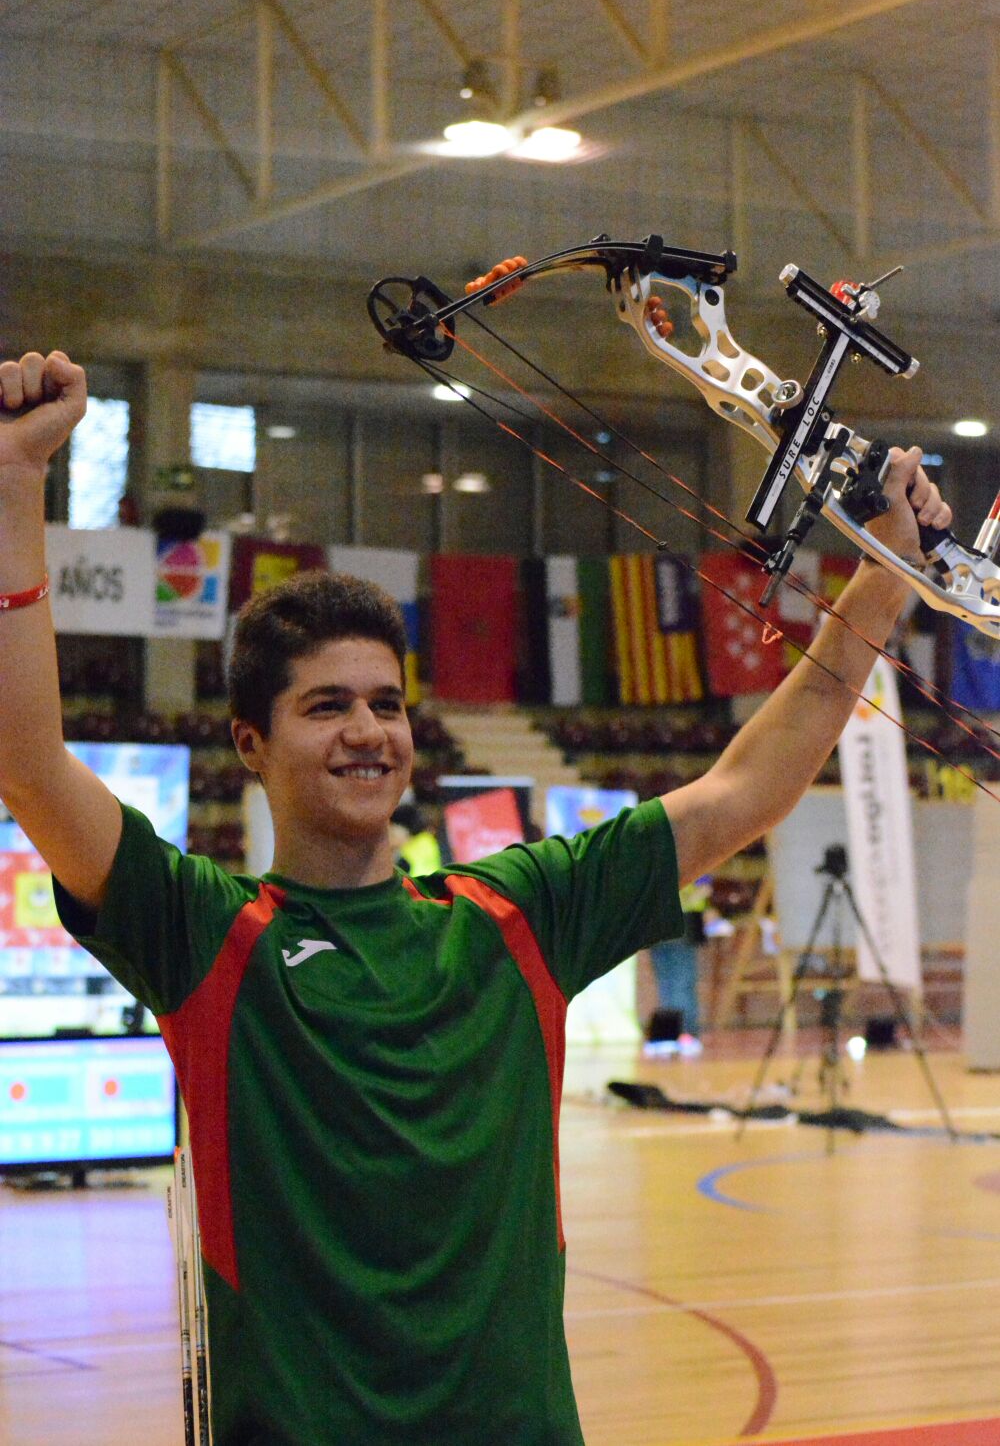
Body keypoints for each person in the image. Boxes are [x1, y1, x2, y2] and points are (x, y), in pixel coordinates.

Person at [0, 350, 952, 1446]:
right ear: (251, 744)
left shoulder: (518, 913)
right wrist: (18, 484)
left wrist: (882, 579)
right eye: (326, 707)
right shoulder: (206, 935)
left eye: (386, 703)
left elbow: (745, 791)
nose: (368, 731)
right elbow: (28, 761)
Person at [647, 876, 711, 1052]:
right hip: (657, 919)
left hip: (684, 919)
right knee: (666, 981)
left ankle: (686, 1033)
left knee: (681, 981)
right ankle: (669, 1034)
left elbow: (704, 886)